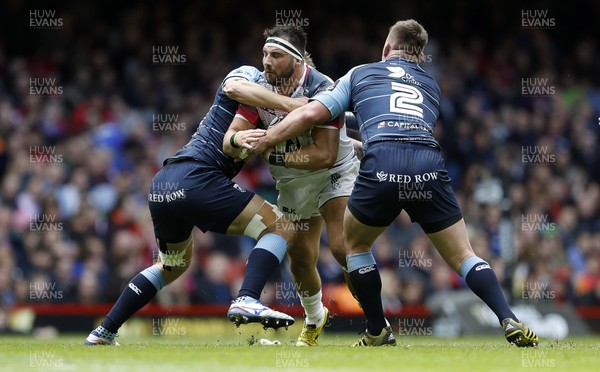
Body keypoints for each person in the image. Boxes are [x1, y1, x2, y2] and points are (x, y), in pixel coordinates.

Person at [241, 19, 539, 347]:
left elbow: (314, 113)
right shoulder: (431, 84)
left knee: (353, 248)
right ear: (421, 56)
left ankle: (376, 329)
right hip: (427, 164)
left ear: (385, 49)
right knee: (463, 255)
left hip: (382, 161)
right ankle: (507, 317)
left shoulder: (360, 73)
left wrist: (268, 138)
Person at [83, 64, 304, 346]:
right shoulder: (251, 77)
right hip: (197, 177)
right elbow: (233, 87)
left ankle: (105, 331)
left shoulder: (267, 115)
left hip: (165, 183)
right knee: (280, 226)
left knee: (172, 265)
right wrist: (292, 104)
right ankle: (247, 297)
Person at [223, 24, 360, 346]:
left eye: (275, 55)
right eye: (264, 54)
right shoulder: (258, 86)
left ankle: (377, 324)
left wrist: (273, 154)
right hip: (294, 186)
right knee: (301, 261)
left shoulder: (324, 87)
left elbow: (325, 155)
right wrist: (237, 139)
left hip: (334, 175)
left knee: (343, 249)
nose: (266, 61)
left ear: (297, 61)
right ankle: (314, 319)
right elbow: (230, 140)